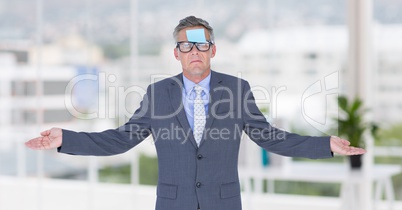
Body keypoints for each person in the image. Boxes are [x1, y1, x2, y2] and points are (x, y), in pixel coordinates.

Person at [25, 16, 366, 210]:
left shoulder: (237, 90)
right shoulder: (158, 94)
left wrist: (325, 146)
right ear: (177, 54)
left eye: (201, 44)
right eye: (186, 46)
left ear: (213, 49)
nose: (194, 52)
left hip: (223, 203)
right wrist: (64, 138)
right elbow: (120, 139)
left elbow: (271, 138)